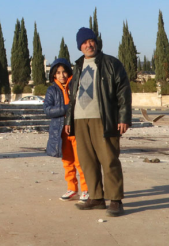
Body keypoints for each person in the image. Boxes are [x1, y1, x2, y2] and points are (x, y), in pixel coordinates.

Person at [64, 28, 132, 217]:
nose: (88, 45)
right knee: (87, 161)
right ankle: (96, 197)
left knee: (109, 159)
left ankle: (116, 200)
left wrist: (124, 117)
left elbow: (123, 92)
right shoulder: (77, 66)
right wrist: (69, 119)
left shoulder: (111, 64)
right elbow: (72, 96)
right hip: (80, 120)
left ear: (96, 42)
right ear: (80, 46)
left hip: (104, 119)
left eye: (91, 41)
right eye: (84, 42)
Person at [43, 58, 89, 202]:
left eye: (64, 72)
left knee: (81, 162)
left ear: (69, 72)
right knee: (67, 162)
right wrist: (66, 108)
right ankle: (72, 188)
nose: (62, 75)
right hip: (60, 133)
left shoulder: (76, 87)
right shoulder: (51, 90)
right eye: (58, 73)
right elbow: (47, 110)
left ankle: (86, 189)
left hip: (76, 130)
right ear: (54, 75)